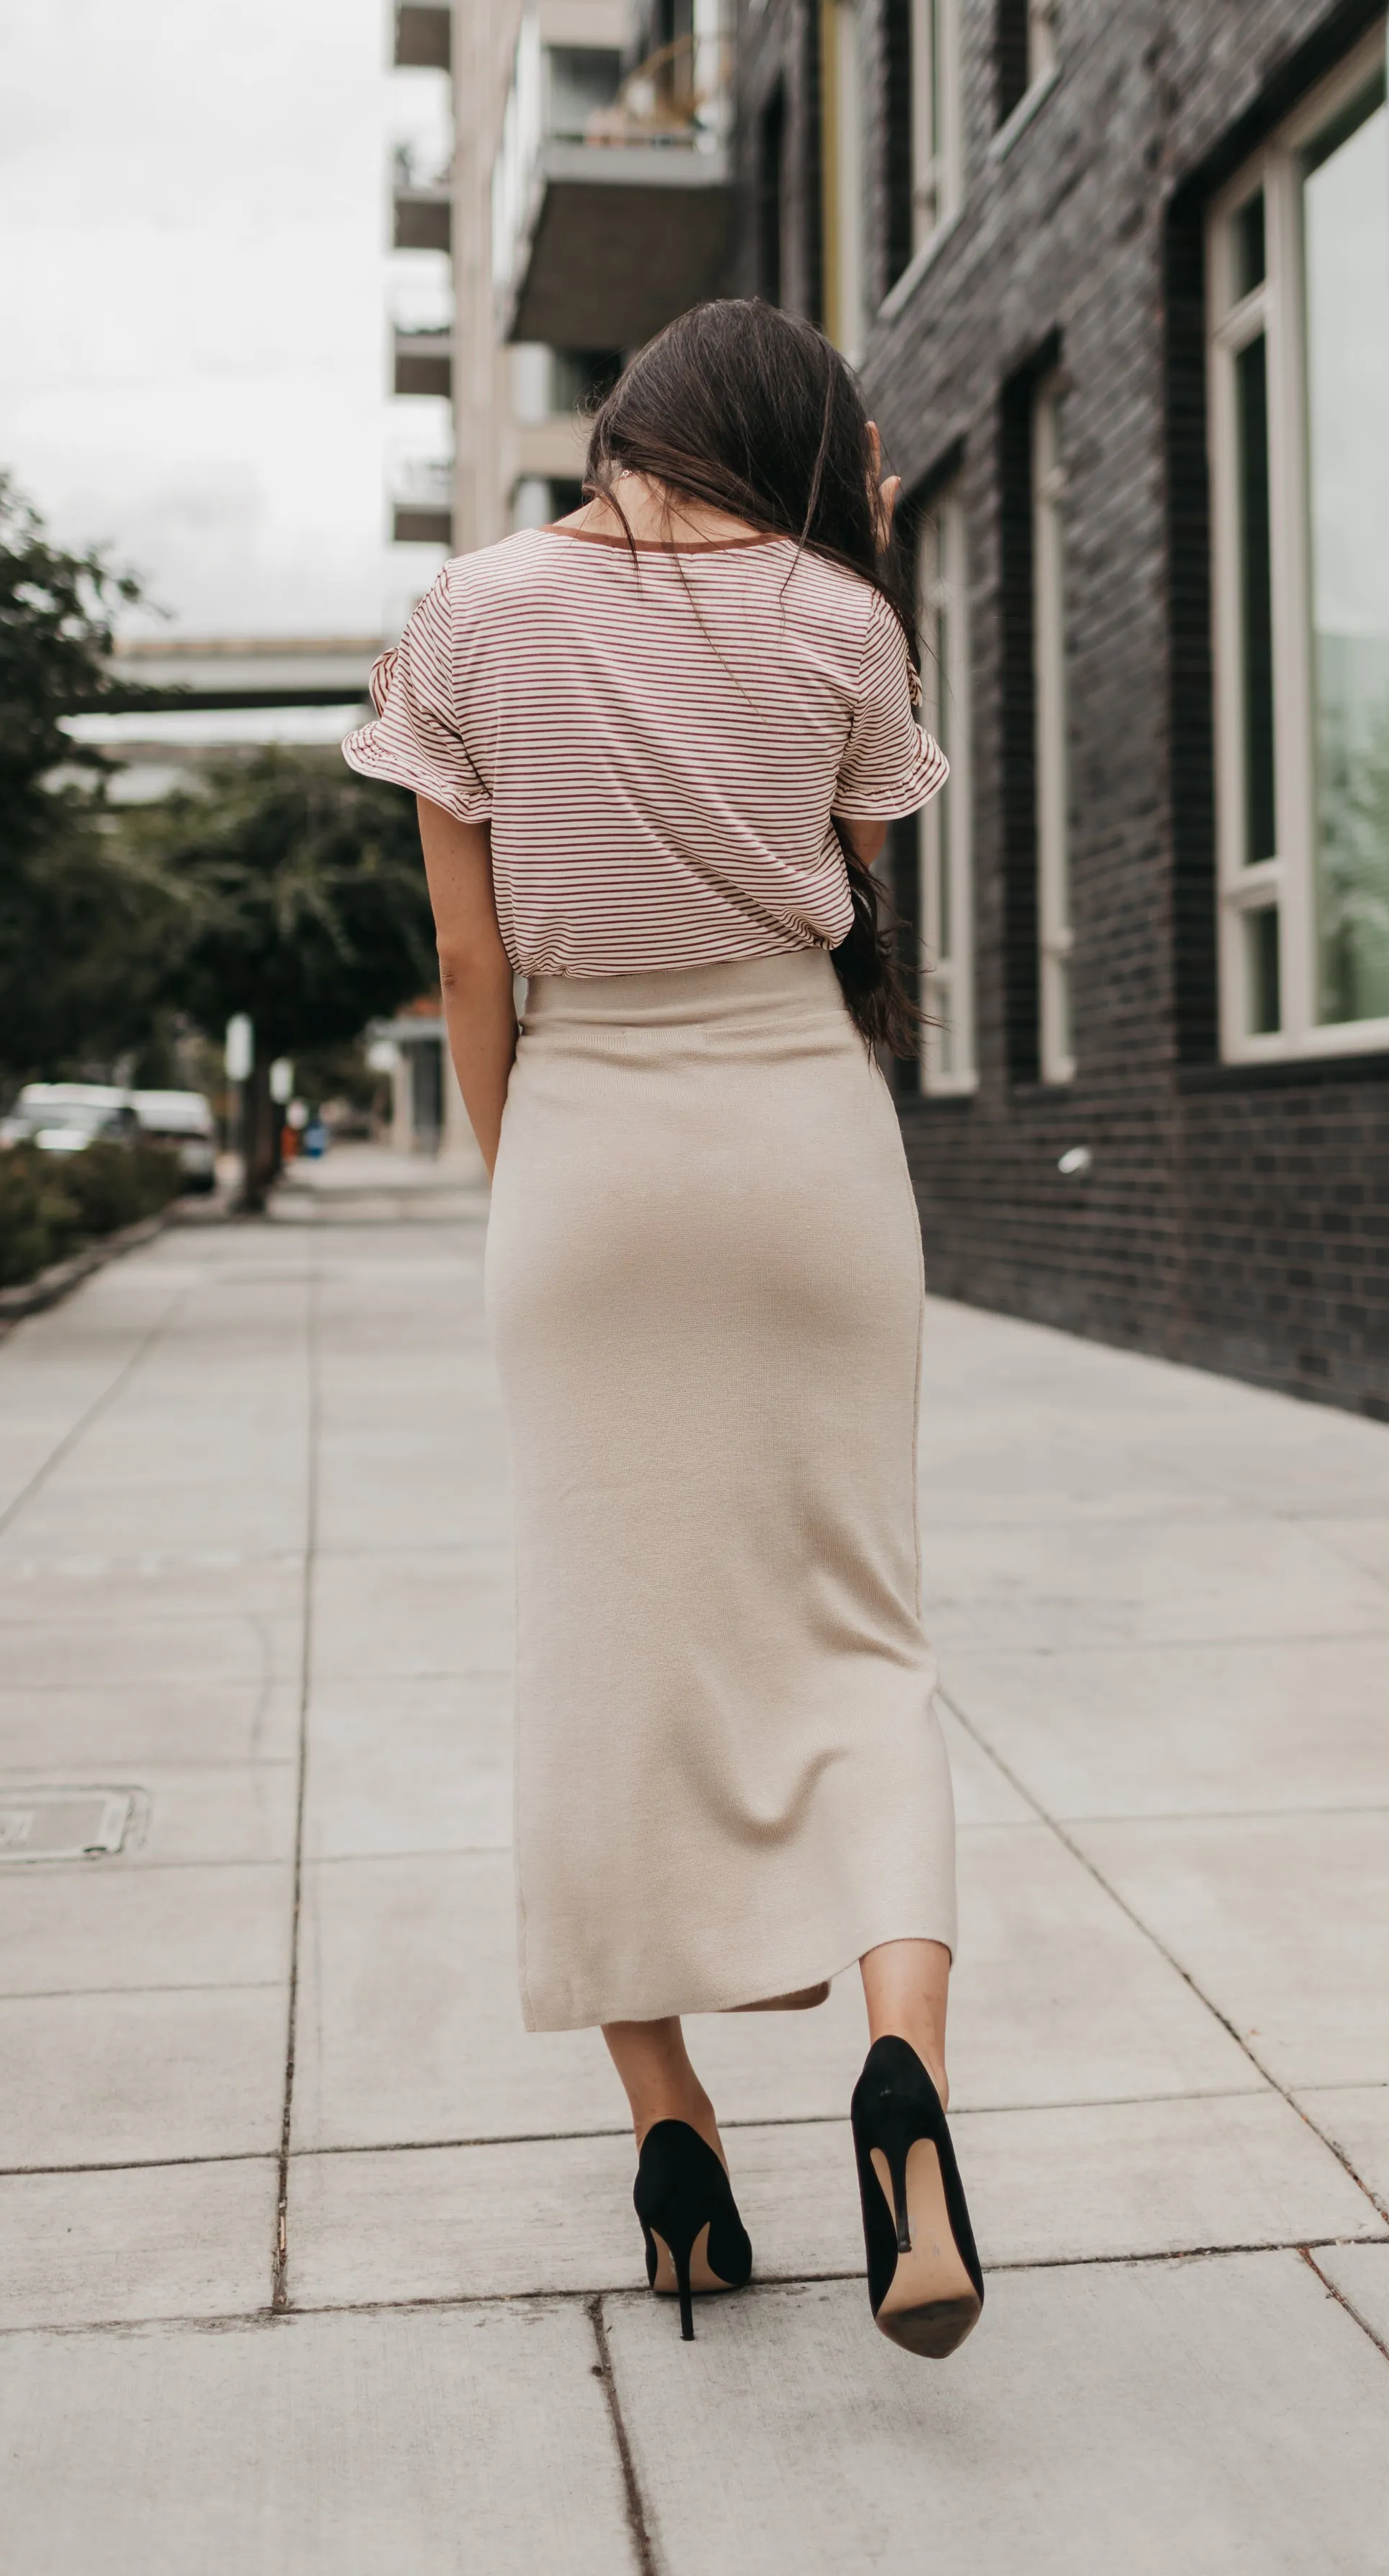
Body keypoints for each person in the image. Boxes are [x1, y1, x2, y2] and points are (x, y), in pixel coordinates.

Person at [344, 299, 984, 2360]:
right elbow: (853, 884)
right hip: (804, 1131)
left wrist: (526, 1162)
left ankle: (676, 2131)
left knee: (601, 1648)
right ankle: (904, 2085)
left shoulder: (466, 614)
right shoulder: (841, 620)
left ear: (629, 422)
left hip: (594, 1142)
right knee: (862, 1626)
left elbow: (467, 946)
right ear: (792, 439)